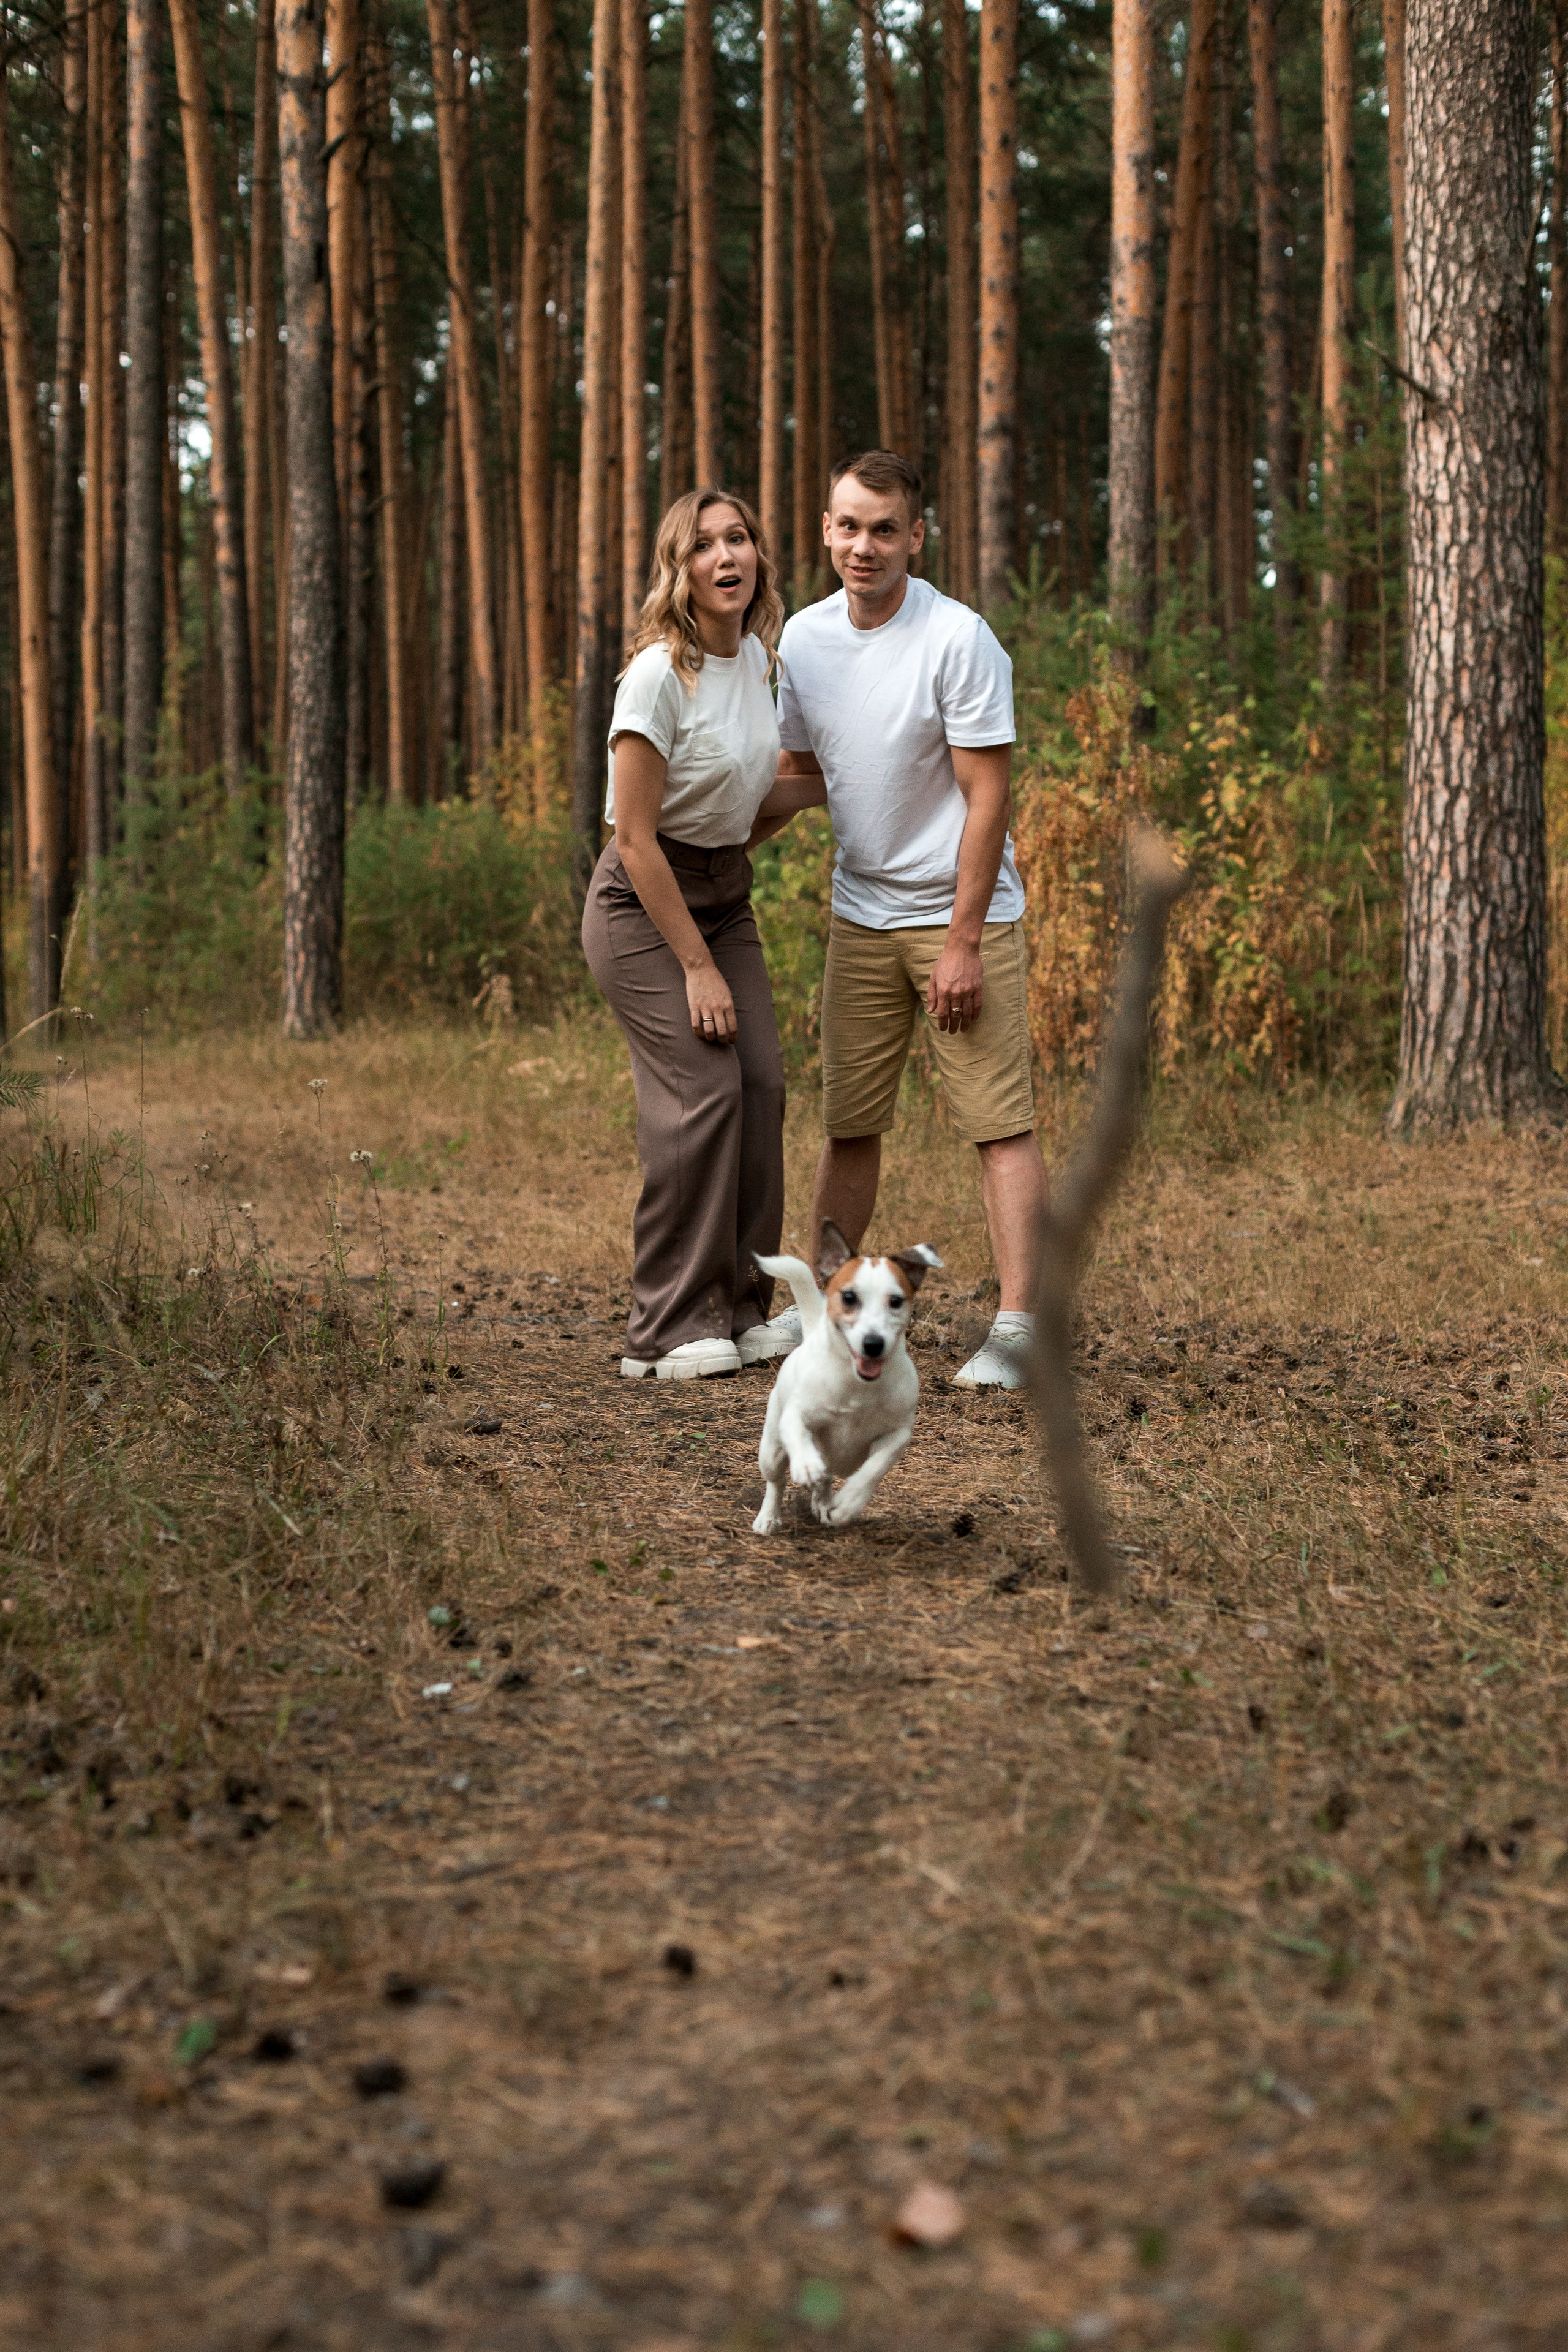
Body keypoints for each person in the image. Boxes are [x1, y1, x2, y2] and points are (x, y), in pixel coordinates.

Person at [753, 448, 1049, 1389]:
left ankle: (1017, 1326)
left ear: (916, 536)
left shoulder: (959, 639)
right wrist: (702, 831)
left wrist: (961, 943)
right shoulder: (802, 638)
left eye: (885, 529)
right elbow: (803, 773)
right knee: (849, 1124)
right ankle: (820, 1320)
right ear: (826, 532)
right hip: (860, 914)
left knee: (998, 1125)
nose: (864, 546)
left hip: (964, 919)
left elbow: (988, 796)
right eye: (848, 526)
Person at [581, 488, 797, 1380]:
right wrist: (698, 968)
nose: (725, 557)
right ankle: (665, 1327)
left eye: (738, 539)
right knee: (703, 1088)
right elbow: (634, 839)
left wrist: (859, 780)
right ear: (681, 568)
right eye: (704, 545)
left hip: (722, 891)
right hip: (642, 905)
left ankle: (742, 1311)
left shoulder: (758, 664)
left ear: (757, 557)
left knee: (762, 1082)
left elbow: (745, 803)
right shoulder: (658, 675)